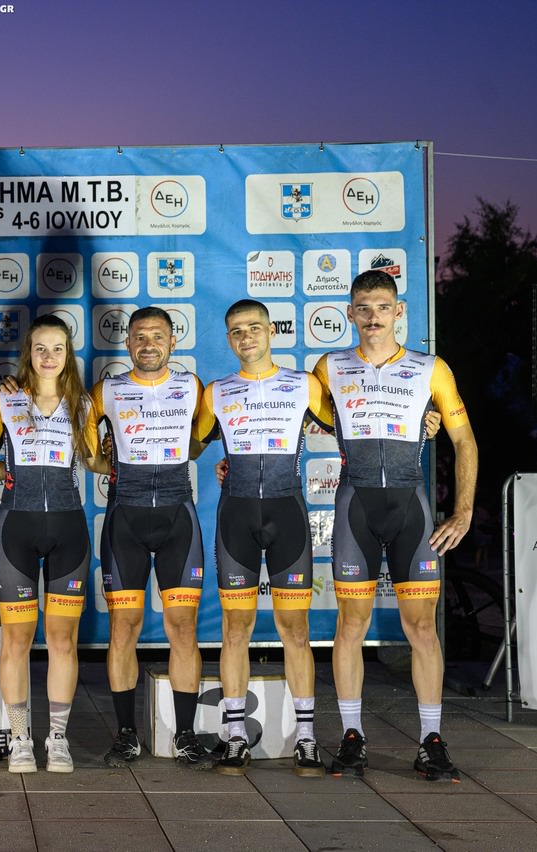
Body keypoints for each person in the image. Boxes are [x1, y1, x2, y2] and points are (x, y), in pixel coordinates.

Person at [313, 270, 477, 782]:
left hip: (411, 506)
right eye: (363, 308)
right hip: (355, 505)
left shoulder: (431, 368)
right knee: (351, 626)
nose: (373, 317)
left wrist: (464, 511)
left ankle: (431, 740)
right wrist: (232, 462)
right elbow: (292, 417)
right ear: (350, 313)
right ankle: (352, 736)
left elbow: (465, 441)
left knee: (422, 628)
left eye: (383, 307)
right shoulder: (329, 367)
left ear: (398, 311)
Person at [192, 299, 332, 777]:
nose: (245, 337)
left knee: (296, 631)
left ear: (271, 331)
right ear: (228, 339)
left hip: (287, 514)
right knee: (235, 629)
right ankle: (235, 736)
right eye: (236, 331)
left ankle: (307, 738)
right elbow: (186, 445)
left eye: (253, 328)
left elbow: (352, 427)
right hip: (236, 519)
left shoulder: (304, 384)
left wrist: (424, 426)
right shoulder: (216, 393)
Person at [82, 306, 214, 771]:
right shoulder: (107, 390)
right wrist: (108, 462)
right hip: (126, 519)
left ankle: (185, 735)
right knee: (124, 629)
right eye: (139, 337)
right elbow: (85, 450)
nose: (148, 345)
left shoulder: (192, 387)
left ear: (172, 342)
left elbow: (199, 442)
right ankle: (125, 735)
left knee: (183, 629)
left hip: (178, 517)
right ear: (128, 343)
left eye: (157, 336)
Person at [0, 314, 91, 773]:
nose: (48, 357)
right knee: (17, 639)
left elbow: (102, 460)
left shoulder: (85, 404)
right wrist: (9, 472)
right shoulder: (4, 402)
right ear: (29, 353)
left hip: (68, 532)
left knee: (63, 640)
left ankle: (57, 739)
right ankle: (20, 738)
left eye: (57, 348)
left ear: (68, 355)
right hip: (15, 531)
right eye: (40, 348)